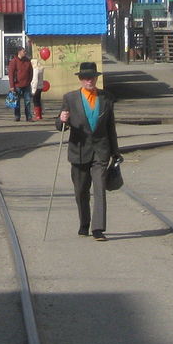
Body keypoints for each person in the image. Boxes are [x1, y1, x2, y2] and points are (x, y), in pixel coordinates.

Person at [57, 61, 120, 241]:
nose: (88, 81)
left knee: (100, 189)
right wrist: (62, 119)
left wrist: (115, 152)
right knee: (81, 191)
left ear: (96, 78)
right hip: (79, 151)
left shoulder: (107, 98)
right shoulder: (70, 98)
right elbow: (59, 125)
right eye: (85, 78)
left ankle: (98, 229)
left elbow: (110, 126)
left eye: (91, 77)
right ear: (80, 80)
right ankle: (84, 223)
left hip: (101, 151)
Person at [6, 46, 33, 121]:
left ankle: (29, 117)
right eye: (23, 51)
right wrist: (12, 86)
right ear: (19, 52)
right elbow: (10, 74)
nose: (25, 52)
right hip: (17, 85)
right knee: (17, 102)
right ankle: (17, 116)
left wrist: (29, 81)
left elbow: (31, 72)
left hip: (26, 85)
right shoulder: (14, 61)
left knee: (27, 102)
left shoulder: (27, 61)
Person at [30, 55, 45, 121]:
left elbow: (35, 80)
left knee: (35, 101)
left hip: (36, 87)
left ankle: (37, 115)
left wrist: (33, 90)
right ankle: (40, 115)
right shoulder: (40, 69)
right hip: (40, 87)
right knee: (38, 101)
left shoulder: (35, 69)